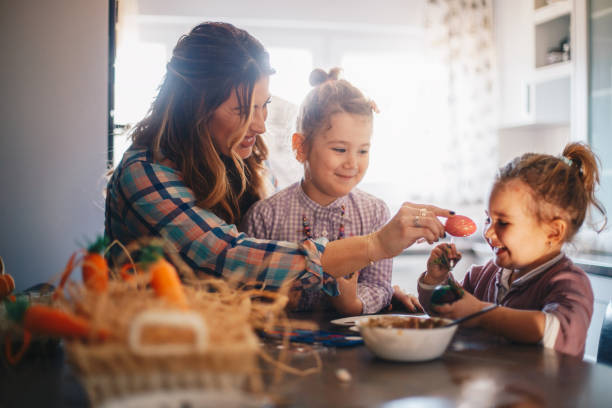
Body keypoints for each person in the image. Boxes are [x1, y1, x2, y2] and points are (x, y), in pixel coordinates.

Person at [105, 22, 453, 298]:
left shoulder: (241, 156)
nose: (259, 124)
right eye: (243, 109)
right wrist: (374, 245)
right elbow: (230, 257)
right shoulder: (144, 175)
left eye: (264, 105)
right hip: (149, 352)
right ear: (195, 105)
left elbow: (280, 269)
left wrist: (363, 295)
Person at [417, 143, 607, 357]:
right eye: (488, 219)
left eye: (503, 223)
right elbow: (444, 311)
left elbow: (550, 330)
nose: (488, 232)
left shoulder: (570, 284)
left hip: (546, 390)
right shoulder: (482, 276)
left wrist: (480, 313)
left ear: (554, 232)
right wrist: (435, 280)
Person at [243, 68, 396, 315]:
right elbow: (248, 294)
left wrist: (354, 304)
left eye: (363, 151)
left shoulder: (376, 213)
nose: (352, 163)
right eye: (339, 149)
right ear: (300, 147)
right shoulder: (264, 217)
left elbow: (379, 286)